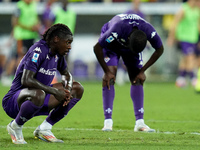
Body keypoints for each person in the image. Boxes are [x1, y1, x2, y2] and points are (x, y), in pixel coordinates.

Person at [2, 23, 84, 144]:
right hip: (14, 101)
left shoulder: (58, 54)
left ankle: (45, 128)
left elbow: (66, 74)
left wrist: (67, 90)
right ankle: (15, 126)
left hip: (40, 97)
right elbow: (27, 80)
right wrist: (55, 92)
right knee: (38, 93)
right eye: (67, 42)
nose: (70, 47)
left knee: (77, 89)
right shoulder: (38, 50)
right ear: (56, 39)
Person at [93, 14, 164, 132]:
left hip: (131, 46)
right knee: (110, 77)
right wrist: (106, 71)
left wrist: (142, 71)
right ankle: (108, 122)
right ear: (129, 40)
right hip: (112, 45)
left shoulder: (149, 30)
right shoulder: (116, 29)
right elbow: (97, 48)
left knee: (138, 78)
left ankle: (140, 123)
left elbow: (160, 49)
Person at [167, 0, 200, 88]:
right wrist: (171, 36)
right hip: (184, 37)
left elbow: (198, 25)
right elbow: (175, 23)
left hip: (194, 38)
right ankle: (193, 79)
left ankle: (181, 79)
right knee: (190, 57)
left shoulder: (197, 10)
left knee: (185, 59)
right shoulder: (184, 9)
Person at [12, 0, 41, 64]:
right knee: (21, 56)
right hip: (22, 36)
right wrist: (29, 28)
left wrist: (38, 25)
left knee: (32, 57)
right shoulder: (19, 6)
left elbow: (35, 17)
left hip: (32, 35)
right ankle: (19, 73)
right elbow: (15, 22)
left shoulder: (33, 4)